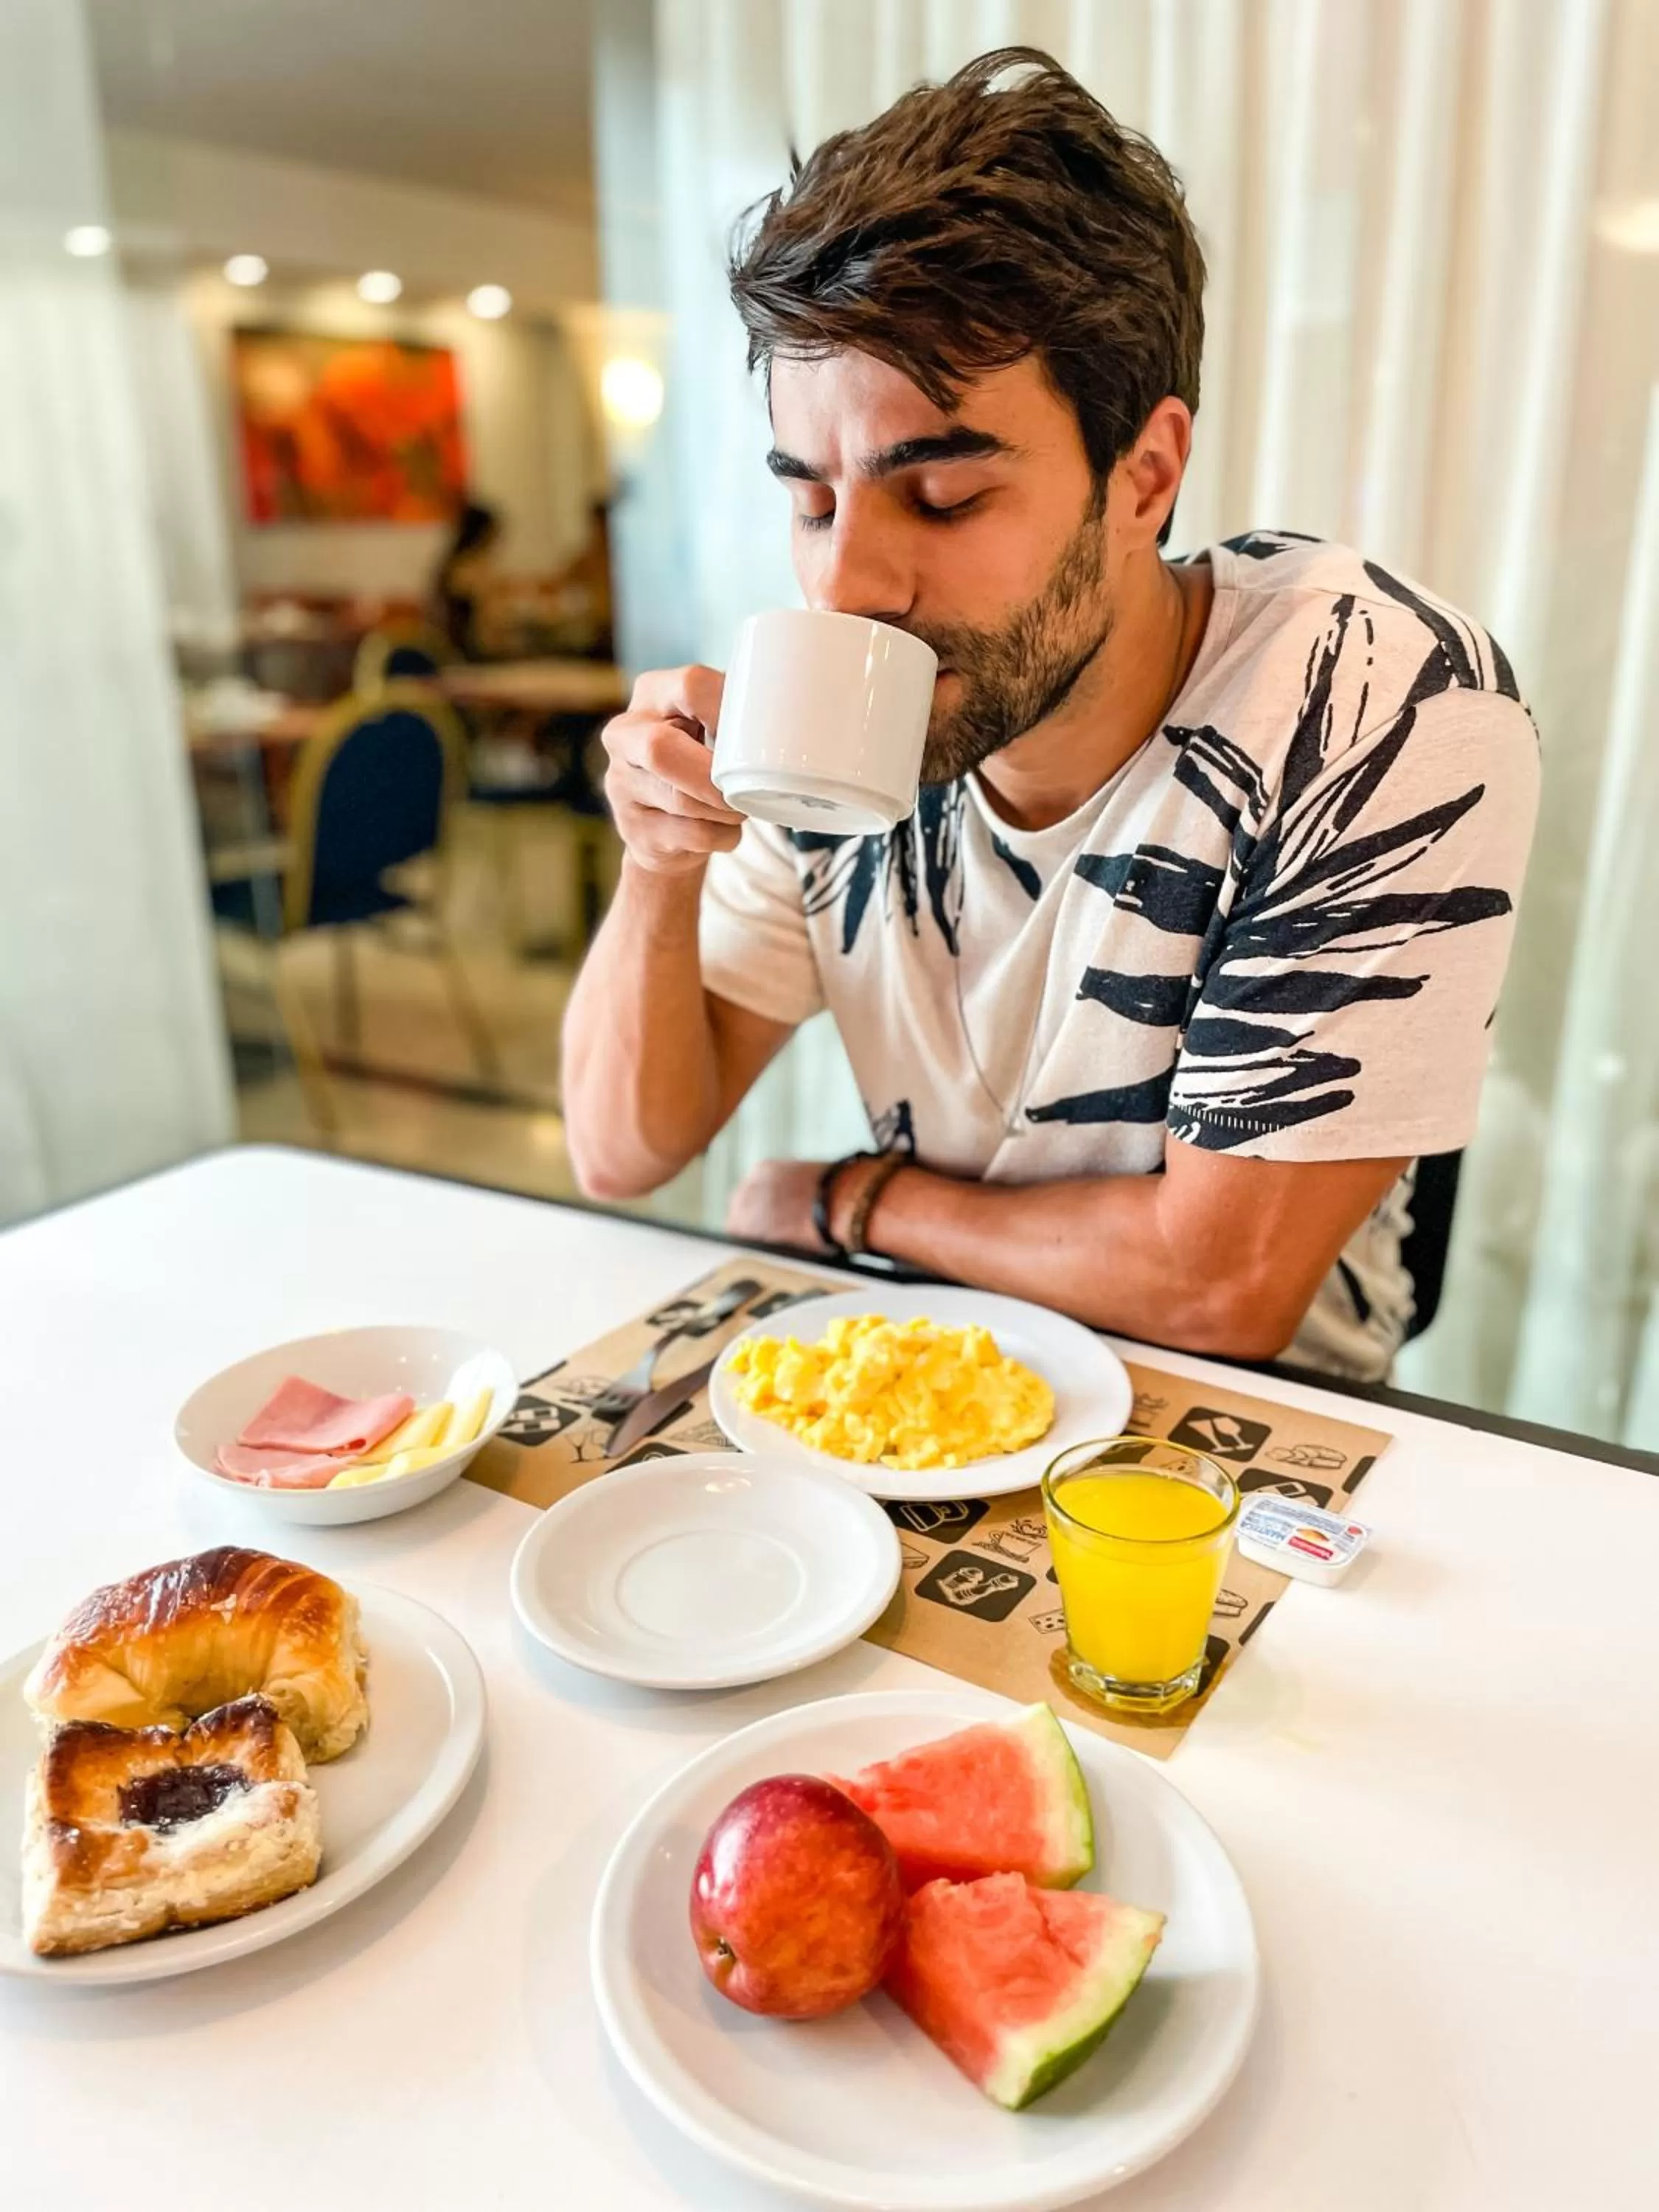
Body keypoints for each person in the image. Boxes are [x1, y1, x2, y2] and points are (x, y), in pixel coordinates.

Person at [561, 49, 1540, 1380]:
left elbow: (1220, 1293)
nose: (850, 583)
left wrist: (857, 1205)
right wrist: (660, 869)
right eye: (810, 500)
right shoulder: (843, 716)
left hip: (1238, 1446)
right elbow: (622, 1148)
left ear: (1145, 477)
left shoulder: (1370, 696)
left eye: (945, 496)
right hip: (923, 1376)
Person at [431, 499, 502, 659]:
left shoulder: (454, 564)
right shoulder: (469, 568)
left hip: (462, 649)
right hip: (471, 653)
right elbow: (490, 616)